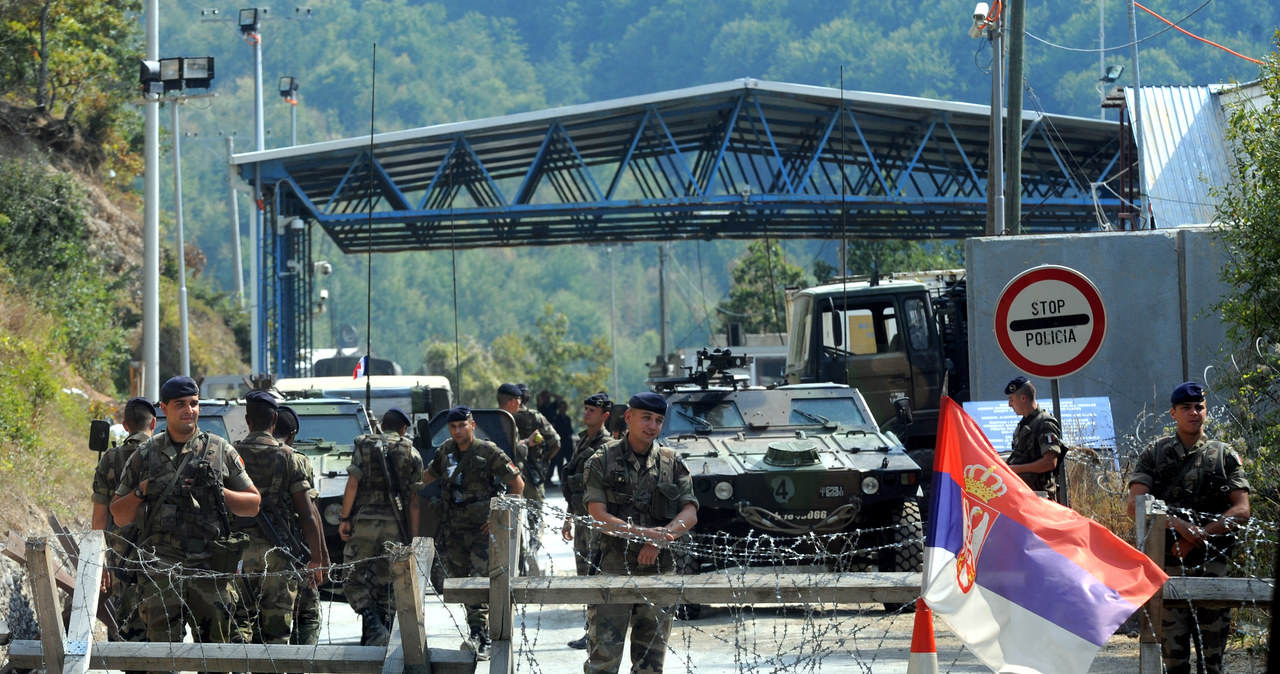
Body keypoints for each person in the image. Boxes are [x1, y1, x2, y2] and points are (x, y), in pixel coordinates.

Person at [110, 375, 262, 648]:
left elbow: (253, 504)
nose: (189, 410)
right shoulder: (145, 455)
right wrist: (143, 489)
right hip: (161, 571)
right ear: (164, 408)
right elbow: (119, 515)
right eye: (180, 404)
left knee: (215, 656)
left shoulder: (219, 450)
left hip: (210, 568)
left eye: (194, 403)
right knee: (162, 656)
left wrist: (218, 491)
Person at [1127, 381, 1251, 674]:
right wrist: (1179, 526)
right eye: (1186, 408)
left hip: (1213, 568)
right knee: (1175, 662)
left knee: (1213, 661)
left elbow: (1242, 509)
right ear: (1173, 413)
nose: (1194, 412)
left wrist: (1198, 536)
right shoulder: (1154, 454)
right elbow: (1135, 504)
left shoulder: (1223, 455)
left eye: (1199, 407)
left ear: (1205, 411)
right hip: (1168, 568)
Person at [582, 392, 698, 674]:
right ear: (629, 417)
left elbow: (689, 513)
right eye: (646, 418)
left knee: (650, 665)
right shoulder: (601, 460)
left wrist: (660, 539)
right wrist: (644, 534)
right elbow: (598, 515)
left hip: (658, 571)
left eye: (658, 420)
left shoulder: (671, 463)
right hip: (612, 570)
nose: (652, 426)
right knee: (603, 662)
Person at [422, 405, 524, 661]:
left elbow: (517, 485)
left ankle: (482, 635)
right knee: (463, 583)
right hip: (454, 530)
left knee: (480, 581)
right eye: (453, 427)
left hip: (481, 530)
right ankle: (477, 631)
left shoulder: (488, 451)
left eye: (462, 426)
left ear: (472, 425)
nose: (457, 431)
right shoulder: (445, 451)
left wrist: (498, 518)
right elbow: (427, 477)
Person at [230, 391, 325, 644]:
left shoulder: (230, 455)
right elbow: (307, 515)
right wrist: (316, 558)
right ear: (274, 420)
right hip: (279, 555)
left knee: (239, 622)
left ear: (248, 421)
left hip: (238, 553)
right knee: (276, 630)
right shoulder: (291, 459)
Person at [338, 407, 424, 646]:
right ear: (403, 429)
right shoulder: (412, 453)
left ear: (382, 425)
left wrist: (345, 519)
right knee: (388, 581)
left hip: (364, 523)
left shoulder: (363, 444)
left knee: (354, 576)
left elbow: (352, 484)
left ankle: (371, 622)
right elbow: (415, 502)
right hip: (395, 527)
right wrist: (413, 539)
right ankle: (381, 629)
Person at [90, 397, 155, 664]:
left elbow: (100, 516)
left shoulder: (110, 459)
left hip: (121, 558)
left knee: (128, 632)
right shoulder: (164, 455)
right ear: (154, 423)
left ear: (126, 425)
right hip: (162, 556)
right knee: (165, 633)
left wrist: (100, 563)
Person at [561, 392, 613, 650]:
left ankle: (596, 631)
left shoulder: (607, 445)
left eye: (592, 411)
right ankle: (590, 629)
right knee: (584, 574)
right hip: (581, 517)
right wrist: (568, 518)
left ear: (605, 416)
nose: (587, 413)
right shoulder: (583, 441)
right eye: (586, 409)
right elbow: (574, 483)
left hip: (596, 521)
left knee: (594, 572)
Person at [275, 405, 329, 649]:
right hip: (294, 550)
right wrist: (321, 557)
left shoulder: (240, 453)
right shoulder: (298, 460)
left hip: (253, 552)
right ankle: (300, 661)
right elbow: (312, 513)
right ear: (293, 433)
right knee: (307, 614)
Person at [498, 382, 559, 574]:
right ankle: (534, 548)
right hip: (533, 475)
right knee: (536, 517)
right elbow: (556, 442)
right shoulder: (535, 417)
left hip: (509, 476)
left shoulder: (500, 418)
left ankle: (521, 560)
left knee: (514, 518)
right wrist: (544, 462)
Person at [1003, 376, 1065, 501]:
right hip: (1025, 495)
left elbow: (1049, 462)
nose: (1010, 405)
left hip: (1040, 496)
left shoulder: (1045, 423)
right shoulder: (1025, 424)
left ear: (1023, 398)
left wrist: (1014, 470)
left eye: (1011, 399)